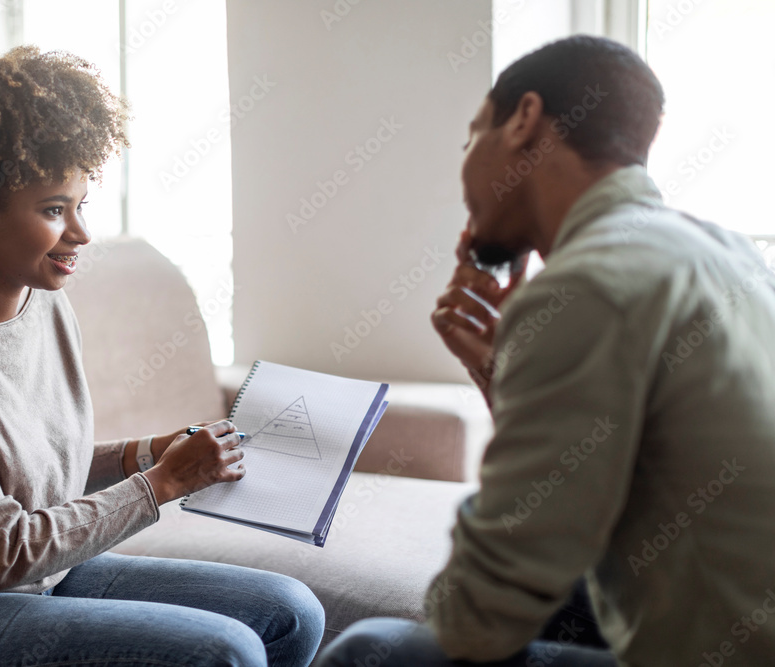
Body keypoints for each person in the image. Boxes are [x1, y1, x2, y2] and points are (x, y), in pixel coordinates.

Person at [0, 46, 323, 667]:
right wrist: (164, 481)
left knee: (290, 611)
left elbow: (35, 473)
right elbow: (1, 552)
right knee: (220, 651)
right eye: (52, 210)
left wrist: (151, 452)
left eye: (81, 204)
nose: (81, 233)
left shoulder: (42, 305)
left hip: (38, 582)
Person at [315, 35, 775, 666]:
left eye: (470, 138)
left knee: (371, 650)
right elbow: (599, 483)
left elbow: (478, 621)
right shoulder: (728, 253)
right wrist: (504, 374)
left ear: (525, 119)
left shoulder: (589, 284)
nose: (465, 172)